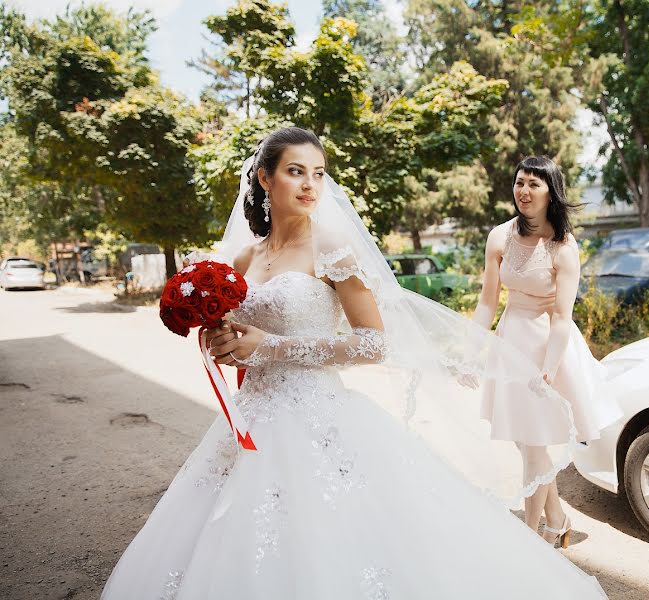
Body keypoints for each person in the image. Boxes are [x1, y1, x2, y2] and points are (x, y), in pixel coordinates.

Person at [100, 128, 608, 599]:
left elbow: (372, 343)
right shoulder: (243, 259)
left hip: (317, 414)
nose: (310, 184)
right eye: (295, 171)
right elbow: (235, 329)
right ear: (263, 177)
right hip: (251, 416)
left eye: (318, 173)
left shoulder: (332, 247)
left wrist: (272, 347)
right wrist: (223, 338)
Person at [470, 156, 621, 547]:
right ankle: (556, 520)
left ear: (550, 192)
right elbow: (487, 302)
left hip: (548, 347)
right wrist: (471, 349)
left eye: (534, 184)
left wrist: (550, 368)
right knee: (527, 442)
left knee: (533, 446)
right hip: (510, 341)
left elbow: (561, 316)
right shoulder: (499, 237)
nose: (523, 191)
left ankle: (532, 537)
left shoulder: (563, 247)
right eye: (520, 182)